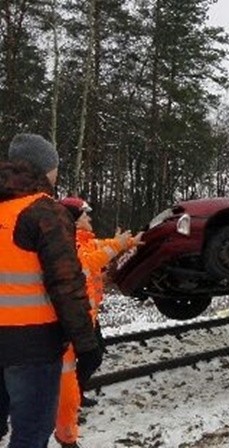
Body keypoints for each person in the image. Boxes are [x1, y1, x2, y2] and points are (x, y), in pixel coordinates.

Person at [0, 133, 101, 448]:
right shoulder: (45, 212)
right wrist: (86, 342)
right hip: (32, 346)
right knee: (30, 434)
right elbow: (66, 283)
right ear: (45, 169)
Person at [54, 197, 142, 448]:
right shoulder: (69, 243)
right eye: (85, 215)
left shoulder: (82, 240)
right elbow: (88, 262)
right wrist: (118, 245)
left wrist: (127, 243)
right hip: (75, 319)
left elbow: (97, 250)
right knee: (87, 360)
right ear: (75, 220)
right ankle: (68, 409)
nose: (90, 219)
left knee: (92, 356)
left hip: (86, 317)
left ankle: (73, 401)